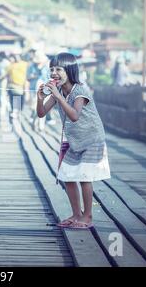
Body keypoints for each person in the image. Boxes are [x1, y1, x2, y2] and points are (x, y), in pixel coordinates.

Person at [36, 52, 111, 229]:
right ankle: (76, 214)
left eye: (59, 69)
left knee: (84, 177)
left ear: (70, 71)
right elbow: (41, 113)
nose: (54, 73)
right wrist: (40, 99)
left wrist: (57, 96)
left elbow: (74, 116)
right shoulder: (59, 91)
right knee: (68, 176)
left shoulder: (80, 91)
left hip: (92, 139)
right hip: (75, 141)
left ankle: (87, 216)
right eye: (51, 69)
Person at [6, 54, 28, 118]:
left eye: (17, 56)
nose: (16, 58)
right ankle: (15, 111)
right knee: (14, 98)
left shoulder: (25, 64)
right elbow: (7, 75)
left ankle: (17, 111)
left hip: (22, 84)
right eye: (14, 56)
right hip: (13, 85)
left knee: (20, 98)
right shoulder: (11, 65)